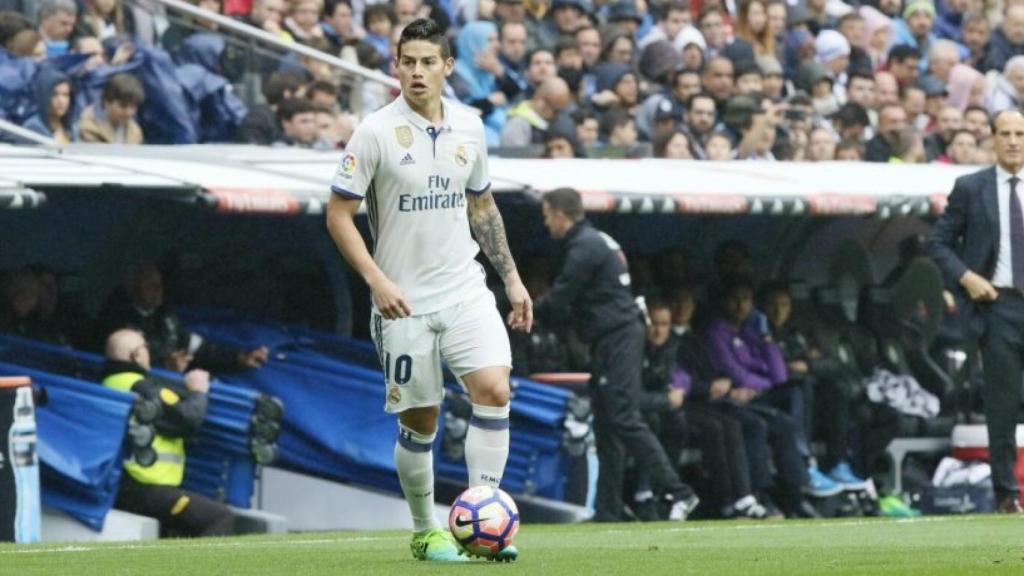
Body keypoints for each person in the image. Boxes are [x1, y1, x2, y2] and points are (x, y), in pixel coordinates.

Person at [325, 18, 532, 562]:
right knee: (422, 421)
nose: (417, 72)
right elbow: (339, 214)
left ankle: (483, 525)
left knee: (494, 390)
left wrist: (510, 279)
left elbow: (482, 206)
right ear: (396, 66)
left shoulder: (469, 126)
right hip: (404, 302)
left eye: (427, 62)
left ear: (447, 67)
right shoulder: (373, 132)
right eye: (407, 62)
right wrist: (376, 280)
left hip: (465, 288)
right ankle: (424, 530)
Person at [533, 187, 699, 523]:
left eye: (547, 216)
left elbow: (563, 295)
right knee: (608, 426)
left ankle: (679, 492)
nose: (546, 224)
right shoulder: (596, 240)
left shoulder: (583, 246)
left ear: (561, 215)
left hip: (617, 338)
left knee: (623, 416)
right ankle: (608, 511)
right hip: (611, 337)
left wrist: (525, 311)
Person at [928, 109, 1024, 514]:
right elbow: (938, 243)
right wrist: (966, 276)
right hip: (998, 304)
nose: (1014, 141)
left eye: (1020, 133)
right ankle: (1006, 495)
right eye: (1005, 133)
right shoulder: (971, 187)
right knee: (1002, 401)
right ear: (992, 138)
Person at [102, 329, 235, 536]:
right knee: (220, 517)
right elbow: (187, 419)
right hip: (147, 488)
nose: (149, 352)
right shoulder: (143, 389)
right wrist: (199, 391)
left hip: (126, 486)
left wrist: (172, 373)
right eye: (144, 347)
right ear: (135, 355)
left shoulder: (112, 383)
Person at [102, 264, 269, 374]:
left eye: (160, 285)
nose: (158, 290)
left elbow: (200, 348)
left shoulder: (167, 318)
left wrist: (239, 358)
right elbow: (120, 365)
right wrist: (165, 366)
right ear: (133, 289)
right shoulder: (117, 322)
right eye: (151, 286)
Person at [78, 73, 145, 145]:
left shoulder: (135, 131)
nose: (129, 112)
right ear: (107, 103)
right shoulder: (89, 129)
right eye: (123, 106)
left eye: (133, 106)